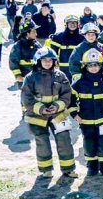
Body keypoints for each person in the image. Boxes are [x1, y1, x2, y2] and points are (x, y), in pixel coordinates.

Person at [20, 47, 75, 178]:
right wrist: (41, 109)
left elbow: (67, 95)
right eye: (44, 60)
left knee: (64, 140)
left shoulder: (60, 76)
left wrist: (57, 106)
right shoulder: (30, 77)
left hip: (58, 114)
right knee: (42, 142)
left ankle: (68, 169)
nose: (47, 62)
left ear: (54, 61)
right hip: (37, 116)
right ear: (38, 61)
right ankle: (46, 170)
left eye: (50, 60)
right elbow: (26, 98)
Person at [70, 48, 103, 177]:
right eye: (90, 65)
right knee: (89, 144)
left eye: (96, 65)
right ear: (85, 66)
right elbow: (70, 99)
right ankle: (92, 166)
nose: (93, 68)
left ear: (101, 65)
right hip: (86, 121)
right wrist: (74, 114)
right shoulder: (79, 82)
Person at [10, 19, 42, 88]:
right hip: (24, 79)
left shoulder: (37, 44)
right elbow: (13, 61)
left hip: (38, 79)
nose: (36, 34)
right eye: (34, 32)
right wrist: (18, 75)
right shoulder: (18, 46)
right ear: (27, 33)